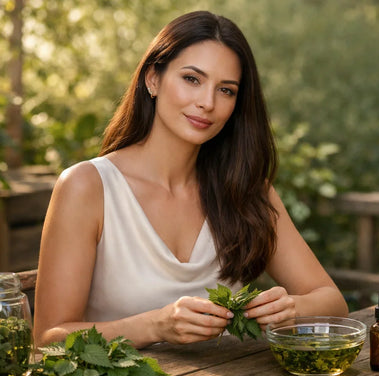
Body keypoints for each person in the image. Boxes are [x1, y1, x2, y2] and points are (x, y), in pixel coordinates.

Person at [34, 10, 348, 349]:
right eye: (192, 79)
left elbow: (332, 302)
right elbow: (49, 338)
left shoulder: (245, 189)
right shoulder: (87, 187)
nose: (207, 103)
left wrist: (291, 309)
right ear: (153, 79)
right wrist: (155, 326)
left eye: (226, 90)